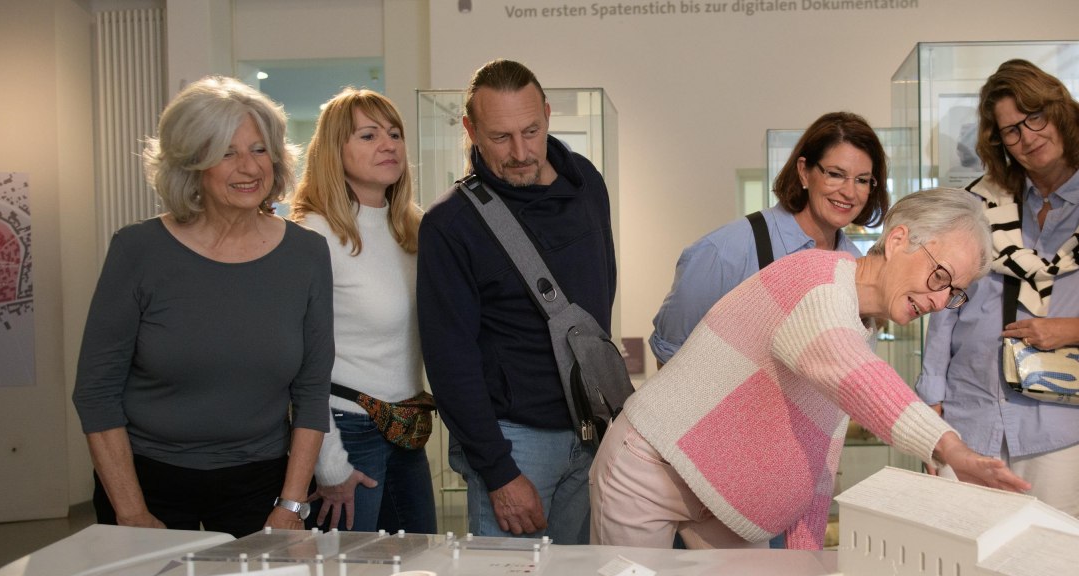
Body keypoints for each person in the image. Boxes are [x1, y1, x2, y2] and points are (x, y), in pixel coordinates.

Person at [590, 188, 1032, 551]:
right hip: (648, 469)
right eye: (940, 277)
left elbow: (819, 451)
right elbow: (859, 376)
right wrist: (949, 447)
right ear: (898, 241)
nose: (939, 302)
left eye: (954, 293)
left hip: (718, 497)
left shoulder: (861, 322)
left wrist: (807, 555)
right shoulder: (817, 285)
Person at [72, 76, 333, 536]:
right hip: (144, 481)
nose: (249, 167)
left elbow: (311, 393)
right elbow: (96, 393)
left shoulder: (306, 254)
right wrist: (131, 513)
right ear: (192, 164)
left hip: (262, 482)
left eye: (258, 149)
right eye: (226, 152)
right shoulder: (138, 250)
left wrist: (291, 505)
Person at [916, 60, 1079, 523]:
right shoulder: (976, 203)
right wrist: (930, 397)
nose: (1027, 136)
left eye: (1035, 117)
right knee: (956, 557)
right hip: (968, 413)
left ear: (1061, 114)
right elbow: (946, 304)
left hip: (1062, 423)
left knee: (1048, 562)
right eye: (1010, 131)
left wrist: (1078, 328)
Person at [417, 59, 617, 543]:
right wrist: (500, 473)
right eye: (500, 137)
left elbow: (602, 289)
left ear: (548, 114)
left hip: (594, 429)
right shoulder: (450, 225)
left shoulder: (586, 180)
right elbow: (450, 363)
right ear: (470, 130)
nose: (522, 152)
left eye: (532, 130)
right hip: (515, 444)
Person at [292, 88, 435, 533]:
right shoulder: (312, 235)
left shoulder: (413, 231)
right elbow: (298, 360)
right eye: (369, 135)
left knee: (417, 565)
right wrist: (328, 462)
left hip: (407, 428)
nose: (389, 144)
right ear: (336, 150)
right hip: (346, 431)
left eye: (394, 133)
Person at [649, 112, 888, 365]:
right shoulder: (725, 252)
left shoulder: (854, 264)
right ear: (804, 172)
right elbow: (670, 358)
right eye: (835, 174)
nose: (849, 192)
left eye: (862, 180)